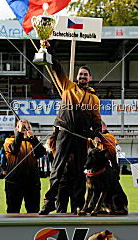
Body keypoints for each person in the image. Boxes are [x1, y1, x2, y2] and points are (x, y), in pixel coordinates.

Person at [39, 55, 102, 215]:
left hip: (81, 137)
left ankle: (78, 205)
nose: (82, 77)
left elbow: (96, 120)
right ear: (77, 77)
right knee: (57, 168)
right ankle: (49, 202)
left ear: (90, 78)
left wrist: (95, 134)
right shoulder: (67, 86)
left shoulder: (94, 98)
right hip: (65, 132)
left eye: (85, 75)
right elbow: (58, 70)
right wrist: (49, 50)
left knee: (81, 171)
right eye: (80, 74)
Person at [2, 120, 46, 213]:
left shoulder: (33, 142)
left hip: (32, 182)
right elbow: (14, 149)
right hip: (14, 182)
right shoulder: (9, 141)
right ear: (16, 129)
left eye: (27, 128)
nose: (25, 130)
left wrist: (33, 138)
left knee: (33, 210)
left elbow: (41, 152)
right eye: (22, 128)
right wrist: (20, 133)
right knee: (13, 210)